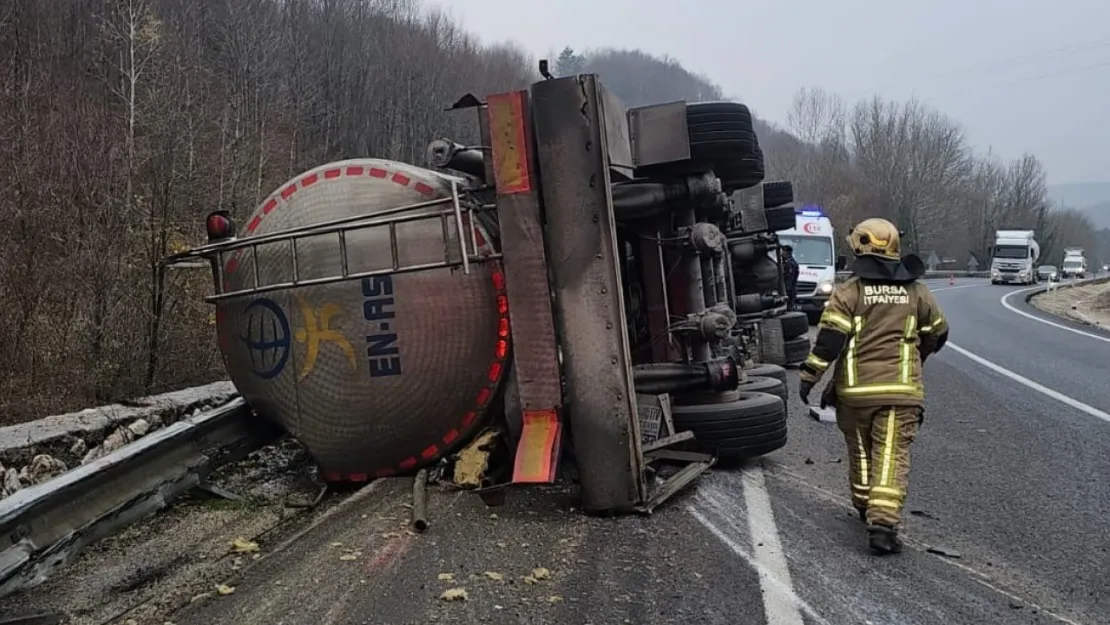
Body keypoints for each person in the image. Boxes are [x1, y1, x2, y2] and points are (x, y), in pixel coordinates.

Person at [796, 218, 948, 555]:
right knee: (891, 455)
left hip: (854, 394)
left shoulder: (849, 292)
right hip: (900, 393)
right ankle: (882, 523)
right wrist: (916, 356)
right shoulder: (917, 292)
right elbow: (939, 332)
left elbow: (829, 343)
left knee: (862, 452)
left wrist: (809, 377)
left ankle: (866, 505)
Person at [780, 245, 799, 310]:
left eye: (782, 251)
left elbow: (790, 278)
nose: (781, 253)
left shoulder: (790, 263)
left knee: (788, 309)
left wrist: (786, 291)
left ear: (786, 252)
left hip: (789, 291)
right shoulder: (786, 262)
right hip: (788, 290)